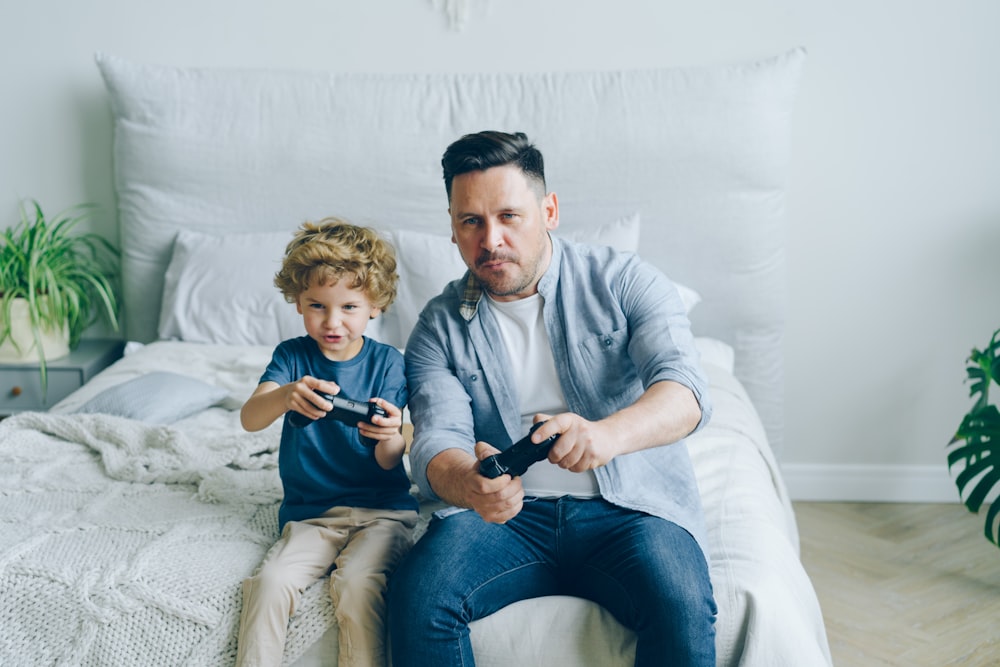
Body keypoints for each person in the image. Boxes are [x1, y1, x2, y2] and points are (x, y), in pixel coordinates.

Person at [387, 131, 717, 666]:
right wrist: (468, 485)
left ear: (549, 210)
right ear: (452, 228)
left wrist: (605, 434)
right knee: (419, 597)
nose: (490, 239)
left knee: (679, 602)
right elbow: (435, 443)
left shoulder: (626, 280)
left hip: (630, 509)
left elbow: (686, 392)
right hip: (504, 520)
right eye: (471, 220)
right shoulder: (437, 326)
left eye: (509, 216)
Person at [236, 219, 418, 667]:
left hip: (382, 514)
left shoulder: (389, 364)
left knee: (358, 583)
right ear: (298, 302)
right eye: (317, 305)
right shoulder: (291, 357)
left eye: (349, 307)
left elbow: (390, 460)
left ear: (374, 306)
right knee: (272, 581)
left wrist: (392, 435)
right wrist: (285, 394)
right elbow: (249, 418)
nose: (332, 322)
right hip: (311, 515)